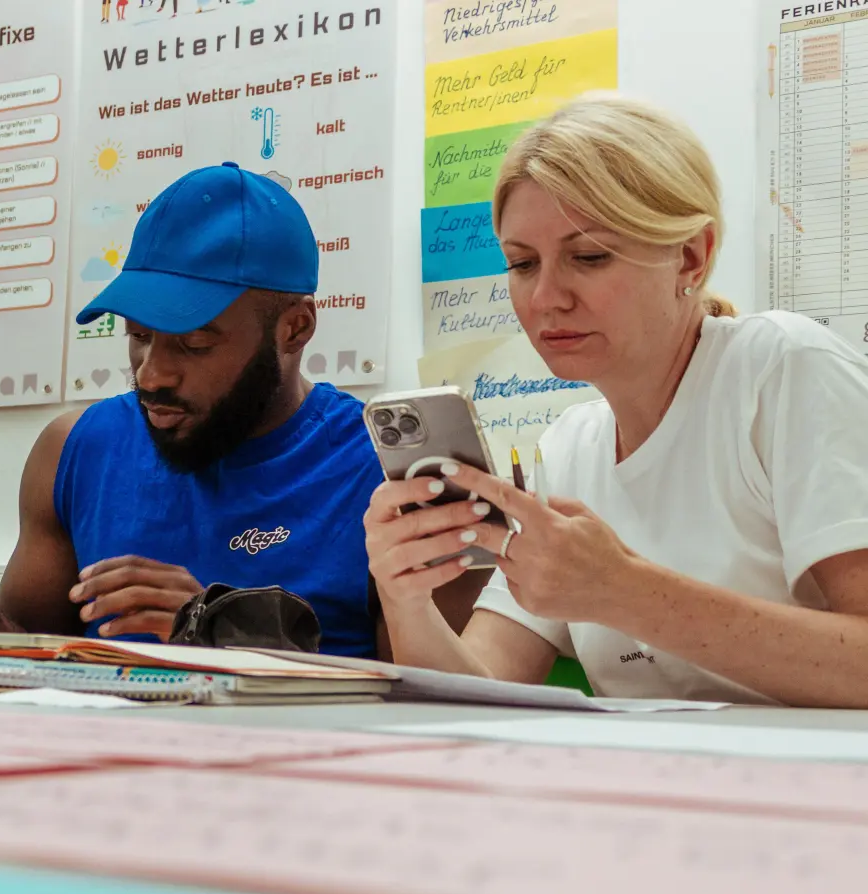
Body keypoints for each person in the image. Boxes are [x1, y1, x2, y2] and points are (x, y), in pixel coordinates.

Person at [366, 93, 868, 707]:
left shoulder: (785, 369)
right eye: (522, 264)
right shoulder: (568, 446)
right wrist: (406, 597)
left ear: (691, 255)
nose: (547, 297)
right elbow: (480, 692)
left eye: (589, 257)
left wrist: (625, 591)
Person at [0, 162, 478, 656]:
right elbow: (29, 667)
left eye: (194, 344)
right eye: (139, 335)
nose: (152, 373)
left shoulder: (391, 473)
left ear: (295, 329)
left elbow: (437, 707)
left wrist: (220, 630)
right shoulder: (76, 449)